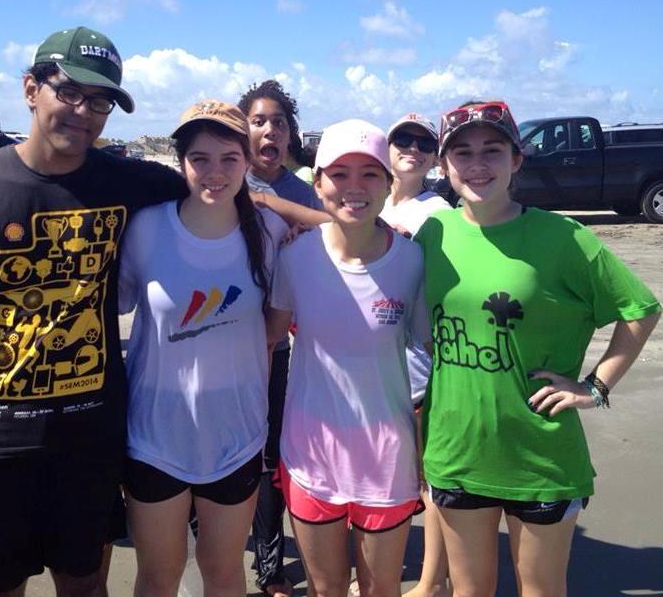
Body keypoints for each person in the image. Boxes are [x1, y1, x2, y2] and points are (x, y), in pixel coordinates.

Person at [0, 25, 187, 597]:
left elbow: (225, 190)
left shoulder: (128, 180)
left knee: (85, 586)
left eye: (101, 101)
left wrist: (330, 225)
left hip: (90, 434)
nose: (84, 112)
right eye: (70, 92)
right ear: (31, 89)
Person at [415, 100, 661, 597]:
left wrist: (596, 385)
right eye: (462, 153)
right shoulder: (432, 234)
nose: (478, 165)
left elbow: (641, 308)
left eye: (493, 150)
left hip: (541, 453)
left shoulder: (562, 236)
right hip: (456, 448)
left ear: (517, 160)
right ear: (444, 165)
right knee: (469, 591)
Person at [118, 100, 287, 597]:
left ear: (249, 162)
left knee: (224, 573)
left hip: (235, 436)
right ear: (181, 162)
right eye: (200, 159)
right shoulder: (146, 228)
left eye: (229, 159)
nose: (214, 173)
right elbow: (111, 306)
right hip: (154, 436)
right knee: (158, 578)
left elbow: (275, 329)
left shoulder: (272, 233)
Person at [267, 119, 431, 597]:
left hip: (387, 457)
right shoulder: (294, 257)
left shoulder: (413, 260)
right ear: (316, 183)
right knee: (326, 588)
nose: (354, 188)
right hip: (309, 451)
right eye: (339, 174)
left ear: (389, 183)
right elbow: (265, 340)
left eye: (369, 174)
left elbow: (435, 354)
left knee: (381, 589)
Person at [238, 80, 323, 597]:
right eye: (259, 121)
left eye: (280, 123)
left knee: (269, 455)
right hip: (217, 337)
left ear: (291, 136)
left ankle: (269, 566)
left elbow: (334, 229)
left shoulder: (301, 190)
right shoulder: (222, 176)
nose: (271, 130)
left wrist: (301, 223)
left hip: (276, 344)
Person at [379, 113, 451, 597]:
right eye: (402, 139)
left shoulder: (437, 213)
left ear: (434, 156)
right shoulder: (377, 201)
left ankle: (432, 582)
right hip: (375, 370)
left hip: (418, 371)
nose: (412, 148)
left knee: (430, 483)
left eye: (423, 143)